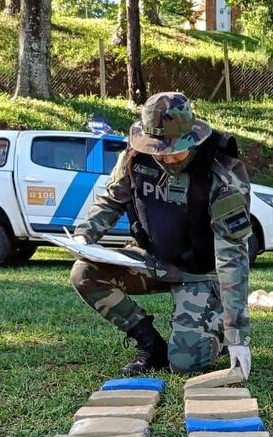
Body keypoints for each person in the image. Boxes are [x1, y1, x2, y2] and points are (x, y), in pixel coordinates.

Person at [70, 92, 252, 378]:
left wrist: (237, 332)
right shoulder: (133, 157)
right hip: (152, 259)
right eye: (159, 149)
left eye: (175, 150)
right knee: (84, 273)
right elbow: (111, 200)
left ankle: (211, 325)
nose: (166, 157)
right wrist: (85, 235)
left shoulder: (222, 174)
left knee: (185, 364)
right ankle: (150, 344)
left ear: (193, 138)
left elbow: (232, 255)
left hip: (200, 273)